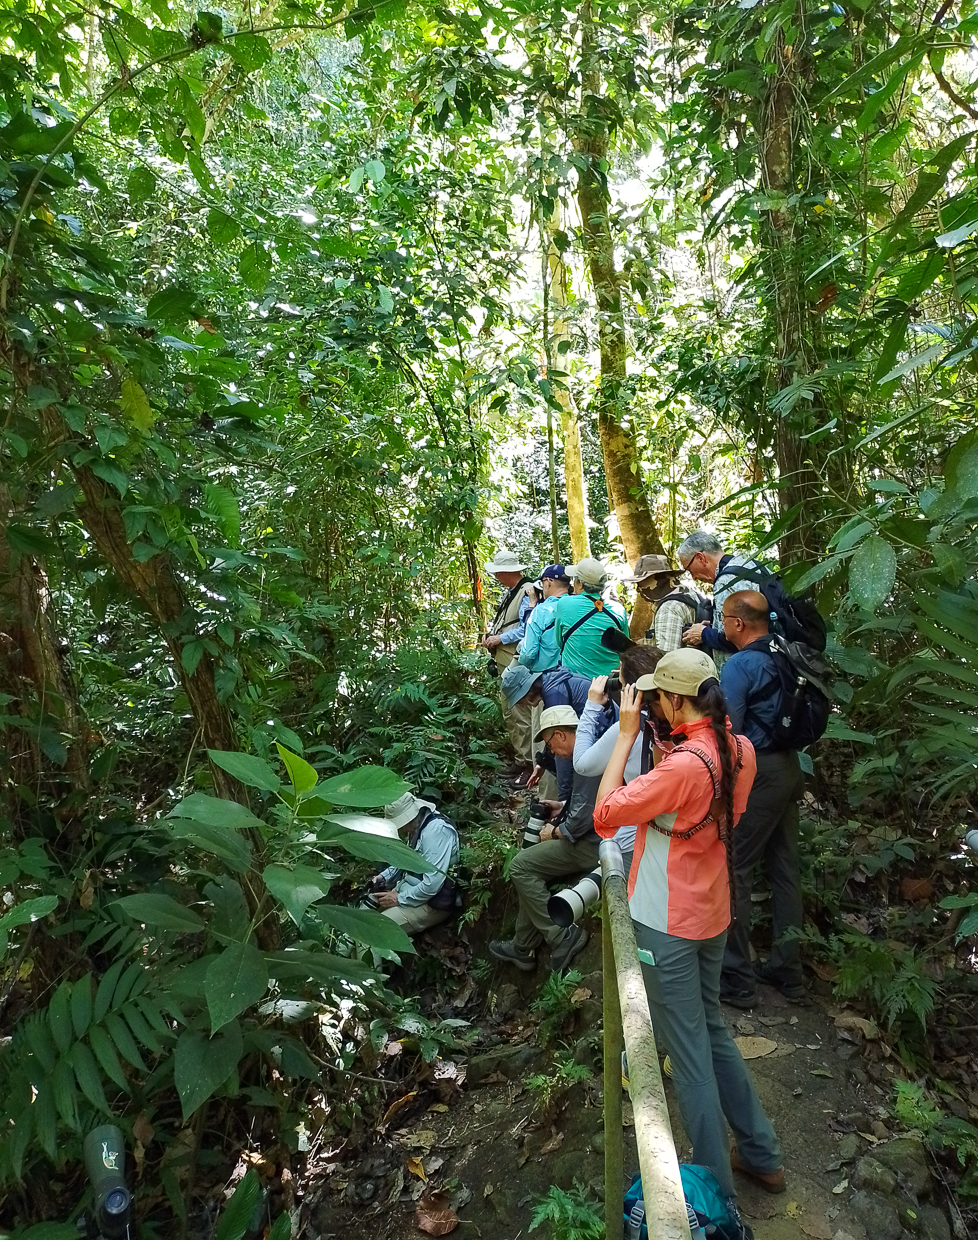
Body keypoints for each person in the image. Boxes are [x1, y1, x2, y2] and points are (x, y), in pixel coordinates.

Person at [592, 648, 785, 1201]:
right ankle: (760, 1154)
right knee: (713, 1030)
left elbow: (605, 817)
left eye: (657, 697)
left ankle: (713, 1190)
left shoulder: (680, 766)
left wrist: (626, 736)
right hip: (712, 911)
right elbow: (719, 817)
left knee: (689, 1051)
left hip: (665, 920)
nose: (651, 703)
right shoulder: (740, 749)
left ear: (677, 700)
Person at [717, 590, 806, 1007]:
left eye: (723, 619)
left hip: (759, 772)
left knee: (735, 867)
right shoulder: (786, 652)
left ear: (738, 623)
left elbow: (727, 730)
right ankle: (789, 971)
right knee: (785, 870)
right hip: (790, 767)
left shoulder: (740, 665)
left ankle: (737, 978)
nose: (720, 626)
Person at [489, 705, 600, 974]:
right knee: (530, 865)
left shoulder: (586, 761)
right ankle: (523, 945)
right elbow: (589, 803)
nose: (551, 751)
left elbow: (583, 819)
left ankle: (562, 936)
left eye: (550, 743)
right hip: (599, 835)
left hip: (596, 843)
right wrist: (562, 807)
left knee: (520, 866)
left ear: (561, 735)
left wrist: (556, 831)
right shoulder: (592, 751)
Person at [572, 644, 670, 869]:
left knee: (609, 847)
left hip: (642, 834)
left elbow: (582, 764)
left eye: (623, 684)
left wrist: (592, 705)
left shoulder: (630, 730)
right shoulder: (677, 724)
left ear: (634, 692)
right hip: (670, 833)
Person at [500, 661, 597, 800]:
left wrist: (563, 792)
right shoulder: (551, 683)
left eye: (520, 700)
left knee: (565, 777)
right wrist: (542, 764)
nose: (522, 704)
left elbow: (559, 740)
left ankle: (565, 813)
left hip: (599, 731)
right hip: (594, 730)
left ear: (526, 691)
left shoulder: (555, 695)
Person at [369, 792, 460, 935]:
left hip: (430, 904)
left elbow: (432, 884)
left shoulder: (436, 832)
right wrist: (383, 877)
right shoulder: (417, 826)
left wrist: (399, 899)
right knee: (361, 923)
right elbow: (406, 861)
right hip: (406, 892)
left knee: (372, 932)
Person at [482, 548, 535, 782]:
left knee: (520, 712)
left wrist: (499, 639)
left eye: (497, 572)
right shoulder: (512, 592)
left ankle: (529, 764)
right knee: (510, 712)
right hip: (505, 660)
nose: (495, 577)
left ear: (506, 572)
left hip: (517, 661)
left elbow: (528, 629)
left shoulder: (527, 591)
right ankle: (521, 759)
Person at [677, 531, 767, 669]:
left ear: (700, 558)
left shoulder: (726, 581)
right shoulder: (750, 564)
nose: (693, 577)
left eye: (689, 569)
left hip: (747, 672)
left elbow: (740, 637)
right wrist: (716, 624)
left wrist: (704, 634)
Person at [552, 558, 629, 677]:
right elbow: (624, 647)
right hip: (610, 682)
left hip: (576, 683)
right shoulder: (618, 608)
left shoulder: (565, 604)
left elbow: (559, 641)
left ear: (580, 584)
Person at [623, 553, 708, 652]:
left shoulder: (669, 608)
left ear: (658, 579)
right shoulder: (689, 593)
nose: (638, 589)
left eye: (642, 583)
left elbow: (666, 657)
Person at [518, 564, 573, 673]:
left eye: (542, 582)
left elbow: (528, 653)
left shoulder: (541, 611)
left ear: (548, 582)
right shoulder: (577, 607)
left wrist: (520, 664)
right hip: (574, 676)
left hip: (545, 676)